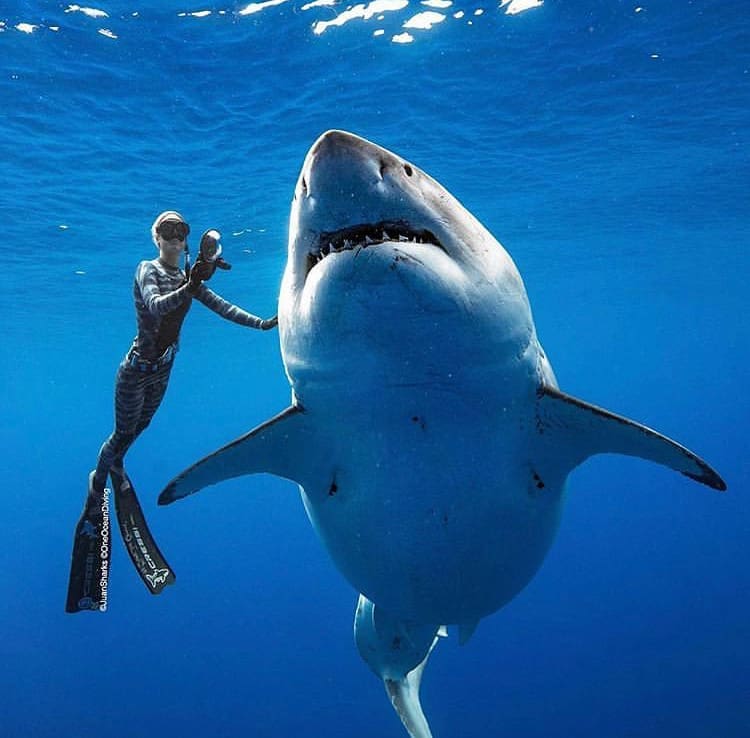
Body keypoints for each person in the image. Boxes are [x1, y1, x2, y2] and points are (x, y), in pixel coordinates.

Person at [66, 210, 277, 613]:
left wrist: (264, 324)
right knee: (121, 435)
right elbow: (157, 306)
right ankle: (97, 488)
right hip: (135, 372)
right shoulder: (147, 270)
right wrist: (193, 283)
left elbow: (222, 306)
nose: (175, 238)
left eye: (181, 232)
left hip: (163, 372)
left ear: (186, 240)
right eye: (168, 231)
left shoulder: (188, 279)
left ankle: (115, 467)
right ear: (156, 237)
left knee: (135, 433)